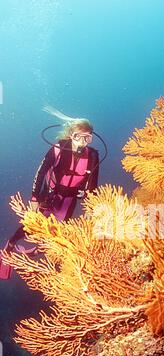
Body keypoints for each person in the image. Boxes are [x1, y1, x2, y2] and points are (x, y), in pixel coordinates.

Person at [0, 112, 99, 279]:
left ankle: (35, 251)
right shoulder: (58, 149)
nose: (82, 143)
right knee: (30, 227)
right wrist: (34, 198)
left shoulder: (93, 156)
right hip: (49, 196)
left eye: (87, 138)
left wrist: (90, 202)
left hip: (69, 200)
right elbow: (41, 173)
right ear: (70, 135)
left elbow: (93, 186)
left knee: (56, 234)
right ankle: (8, 248)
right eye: (78, 137)